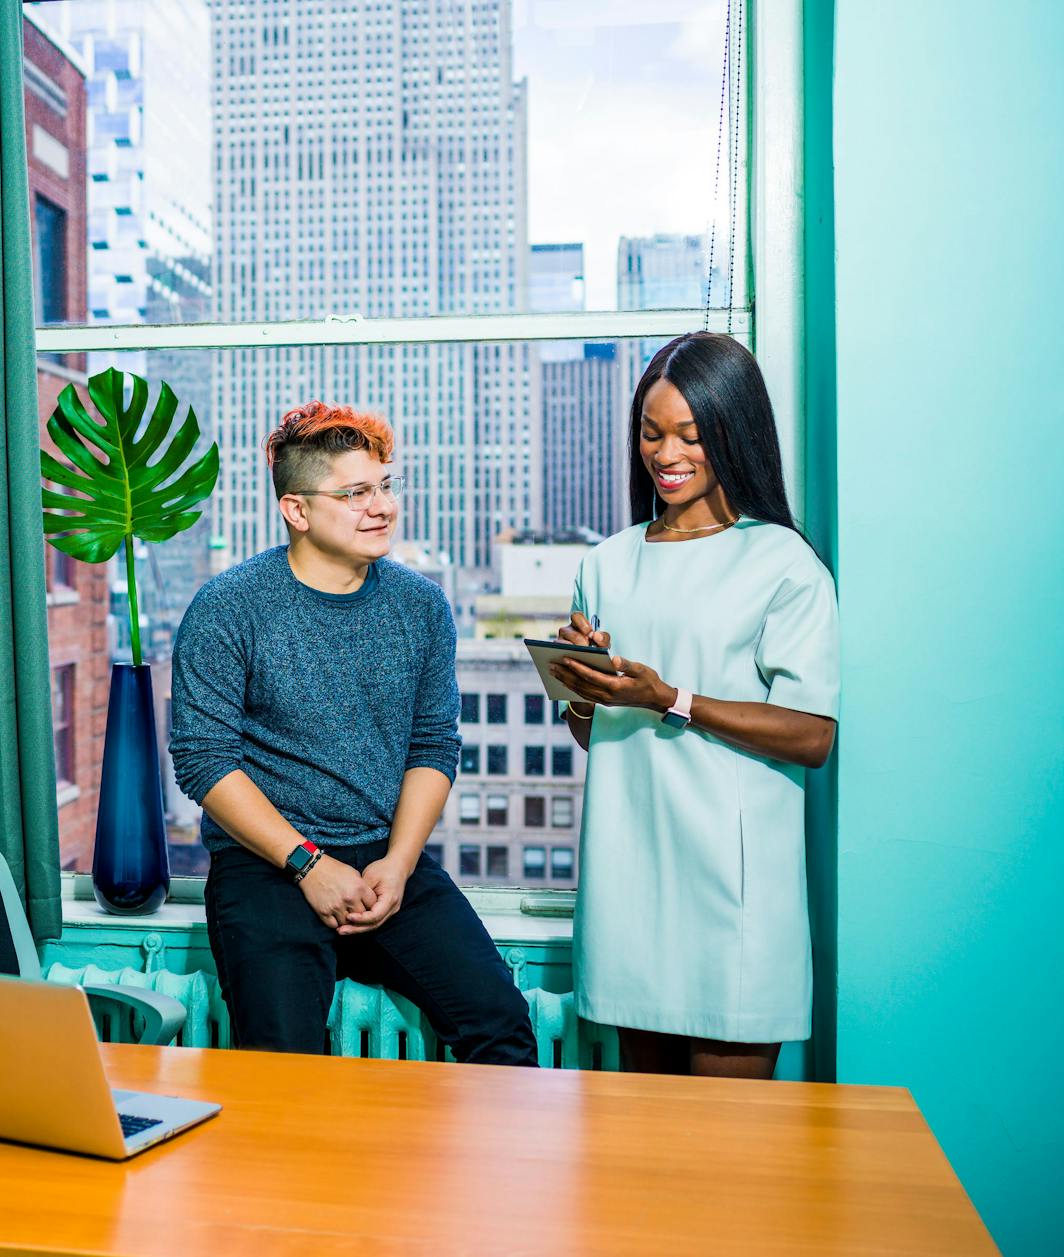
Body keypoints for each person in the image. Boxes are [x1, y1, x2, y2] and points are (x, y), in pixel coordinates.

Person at [169, 401, 536, 1065]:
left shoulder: (419, 604)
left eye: (385, 486)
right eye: (355, 492)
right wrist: (307, 861)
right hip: (268, 864)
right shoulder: (229, 606)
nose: (382, 507)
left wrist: (398, 863)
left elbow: (432, 745)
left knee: (501, 1023)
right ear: (297, 510)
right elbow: (203, 761)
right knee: (285, 1064)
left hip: (384, 857)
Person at [549, 331, 839, 1080]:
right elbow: (595, 733)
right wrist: (585, 686)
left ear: (732, 432)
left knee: (734, 1166)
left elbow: (811, 735)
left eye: (690, 433)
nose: (666, 452)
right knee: (645, 1155)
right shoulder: (605, 563)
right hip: (628, 877)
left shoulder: (783, 563)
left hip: (733, 891)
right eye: (651, 432)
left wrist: (669, 697)